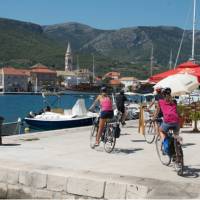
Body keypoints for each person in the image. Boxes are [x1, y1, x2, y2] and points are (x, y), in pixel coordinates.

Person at [154, 87, 179, 154]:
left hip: (167, 121)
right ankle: (178, 145)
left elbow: (157, 112)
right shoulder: (174, 101)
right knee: (176, 136)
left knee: (161, 130)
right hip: (176, 121)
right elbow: (177, 111)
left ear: (163, 95)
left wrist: (154, 118)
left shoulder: (160, 102)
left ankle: (166, 147)